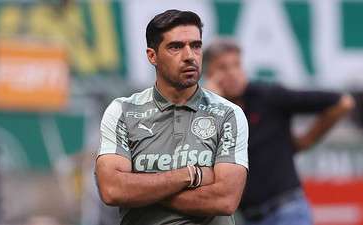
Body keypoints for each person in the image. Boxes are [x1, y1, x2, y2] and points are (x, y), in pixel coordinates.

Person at [95, 10, 249, 225]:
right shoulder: (122, 111)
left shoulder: (228, 113)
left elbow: (225, 200)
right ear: (152, 56)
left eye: (195, 46)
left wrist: (142, 188)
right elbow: (112, 190)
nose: (189, 56)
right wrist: (190, 175)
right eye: (176, 47)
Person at [203, 38, 355, 225]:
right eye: (223, 68)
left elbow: (343, 103)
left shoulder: (268, 97)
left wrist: (307, 140)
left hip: (287, 211)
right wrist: (211, 104)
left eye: (237, 65)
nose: (233, 73)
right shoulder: (207, 113)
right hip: (246, 218)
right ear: (209, 74)